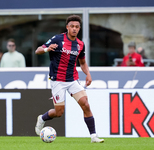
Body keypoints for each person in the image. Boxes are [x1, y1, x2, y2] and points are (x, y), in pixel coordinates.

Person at [35, 15, 104, 143]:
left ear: (79, 28)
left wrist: (88, 74)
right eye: (72, 26)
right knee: (59, 112)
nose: (74, 29)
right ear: (67, 27)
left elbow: (82, 63)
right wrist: (46, 49)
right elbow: (37, 50)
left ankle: (94, 136)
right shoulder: (58, 39)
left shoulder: (80, 44)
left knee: (86, 104)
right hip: (57, 80)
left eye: (77, 27)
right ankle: (42, 119)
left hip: (72, 80)